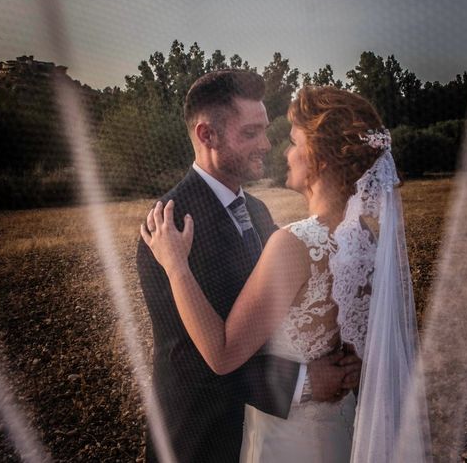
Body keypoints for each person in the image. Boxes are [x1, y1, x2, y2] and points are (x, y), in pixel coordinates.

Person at [141, 85, 432, 462]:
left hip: (292, 439)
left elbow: (225, 352)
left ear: (321, 159)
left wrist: (176, 267)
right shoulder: (364, 238)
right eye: (251, 132)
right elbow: (188, 358)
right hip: (228, 439)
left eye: (292, 141)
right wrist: (313, 378)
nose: (273, 147)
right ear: (206, 135)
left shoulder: (287, 236)